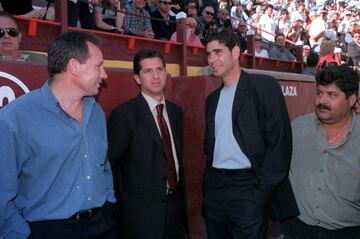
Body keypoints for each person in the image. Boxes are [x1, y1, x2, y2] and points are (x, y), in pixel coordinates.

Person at [0, 31, 118, 239]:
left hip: (103, 224)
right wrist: (20, 234)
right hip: (47, 230)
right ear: (73, 66)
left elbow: (103, 167)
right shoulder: (14, 118)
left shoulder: (96, 112)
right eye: (98, 66)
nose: (104, 74)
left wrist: (109, 201)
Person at [203, 29, 298, 239]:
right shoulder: (212, 100)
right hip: (216, 191)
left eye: (218, 52)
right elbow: (210, 149)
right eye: (208, 54)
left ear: (236, 52)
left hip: (249, 188)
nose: (211, 59)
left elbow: (279, 144)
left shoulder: (264, 87)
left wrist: (259, 195)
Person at [108, 49, 186, 239]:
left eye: (160, 69)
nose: (156, 76)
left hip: (175, 208)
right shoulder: (123, 116)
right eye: (148, 71)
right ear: (137, 78)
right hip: (140, 215)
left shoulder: (176, 112)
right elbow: (112, 166)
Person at [283, 65, 360, 239]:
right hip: (296, 229)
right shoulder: (297, 128)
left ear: (352, 99)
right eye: (319, 93)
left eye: (332, 95)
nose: (321, 101)